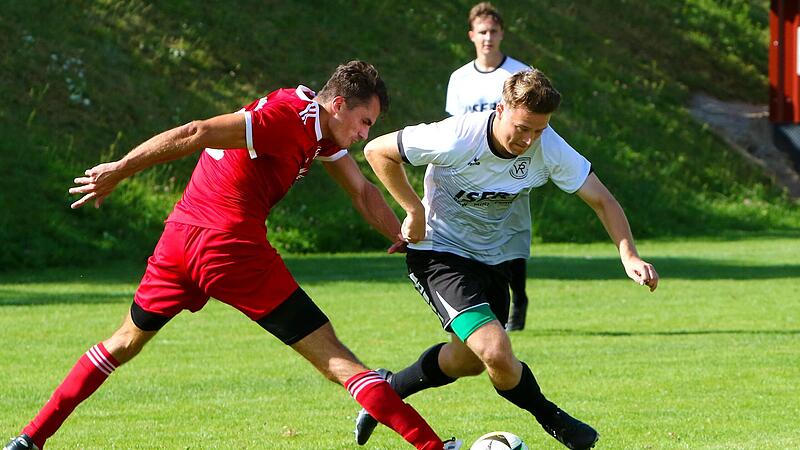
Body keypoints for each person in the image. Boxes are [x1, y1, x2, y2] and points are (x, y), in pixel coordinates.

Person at [3, 61, 461, 450]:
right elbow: (197, 131)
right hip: (229, 248)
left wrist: (406, 238)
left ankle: (30, 439)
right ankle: (434, 447)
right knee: (337, 358)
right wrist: (120, 169)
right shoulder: (287, 114)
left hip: (178, 243)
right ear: (338, 103)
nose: (364, 135)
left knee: (122, 342)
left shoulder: (321, 133)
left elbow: (362, 192)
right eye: (364, 122)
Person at [353, 68, 659, 449]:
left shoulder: (547, 147)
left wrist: (628, 254)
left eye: (539, 130)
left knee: (468, 361)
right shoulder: (458, 136)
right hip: (439, 253)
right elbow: (377, 150)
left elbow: (602, 199)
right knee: (495, 350)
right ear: (501, 108)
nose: (529, 139)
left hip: (493, 259)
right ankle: (556, 421)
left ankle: (386, 391)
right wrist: (414, 211)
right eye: (522, 127)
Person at [446, 1, 531, 331]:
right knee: (476, 234)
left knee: (512, 236)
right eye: (482, 32)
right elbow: (455, 127)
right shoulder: (460, 79)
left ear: (502, 34)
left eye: (494, 31)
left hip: (511, 166)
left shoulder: (519, 75)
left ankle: (518, 298)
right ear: (471, 35)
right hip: (472, 168)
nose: (488, 37)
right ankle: (479, 301)